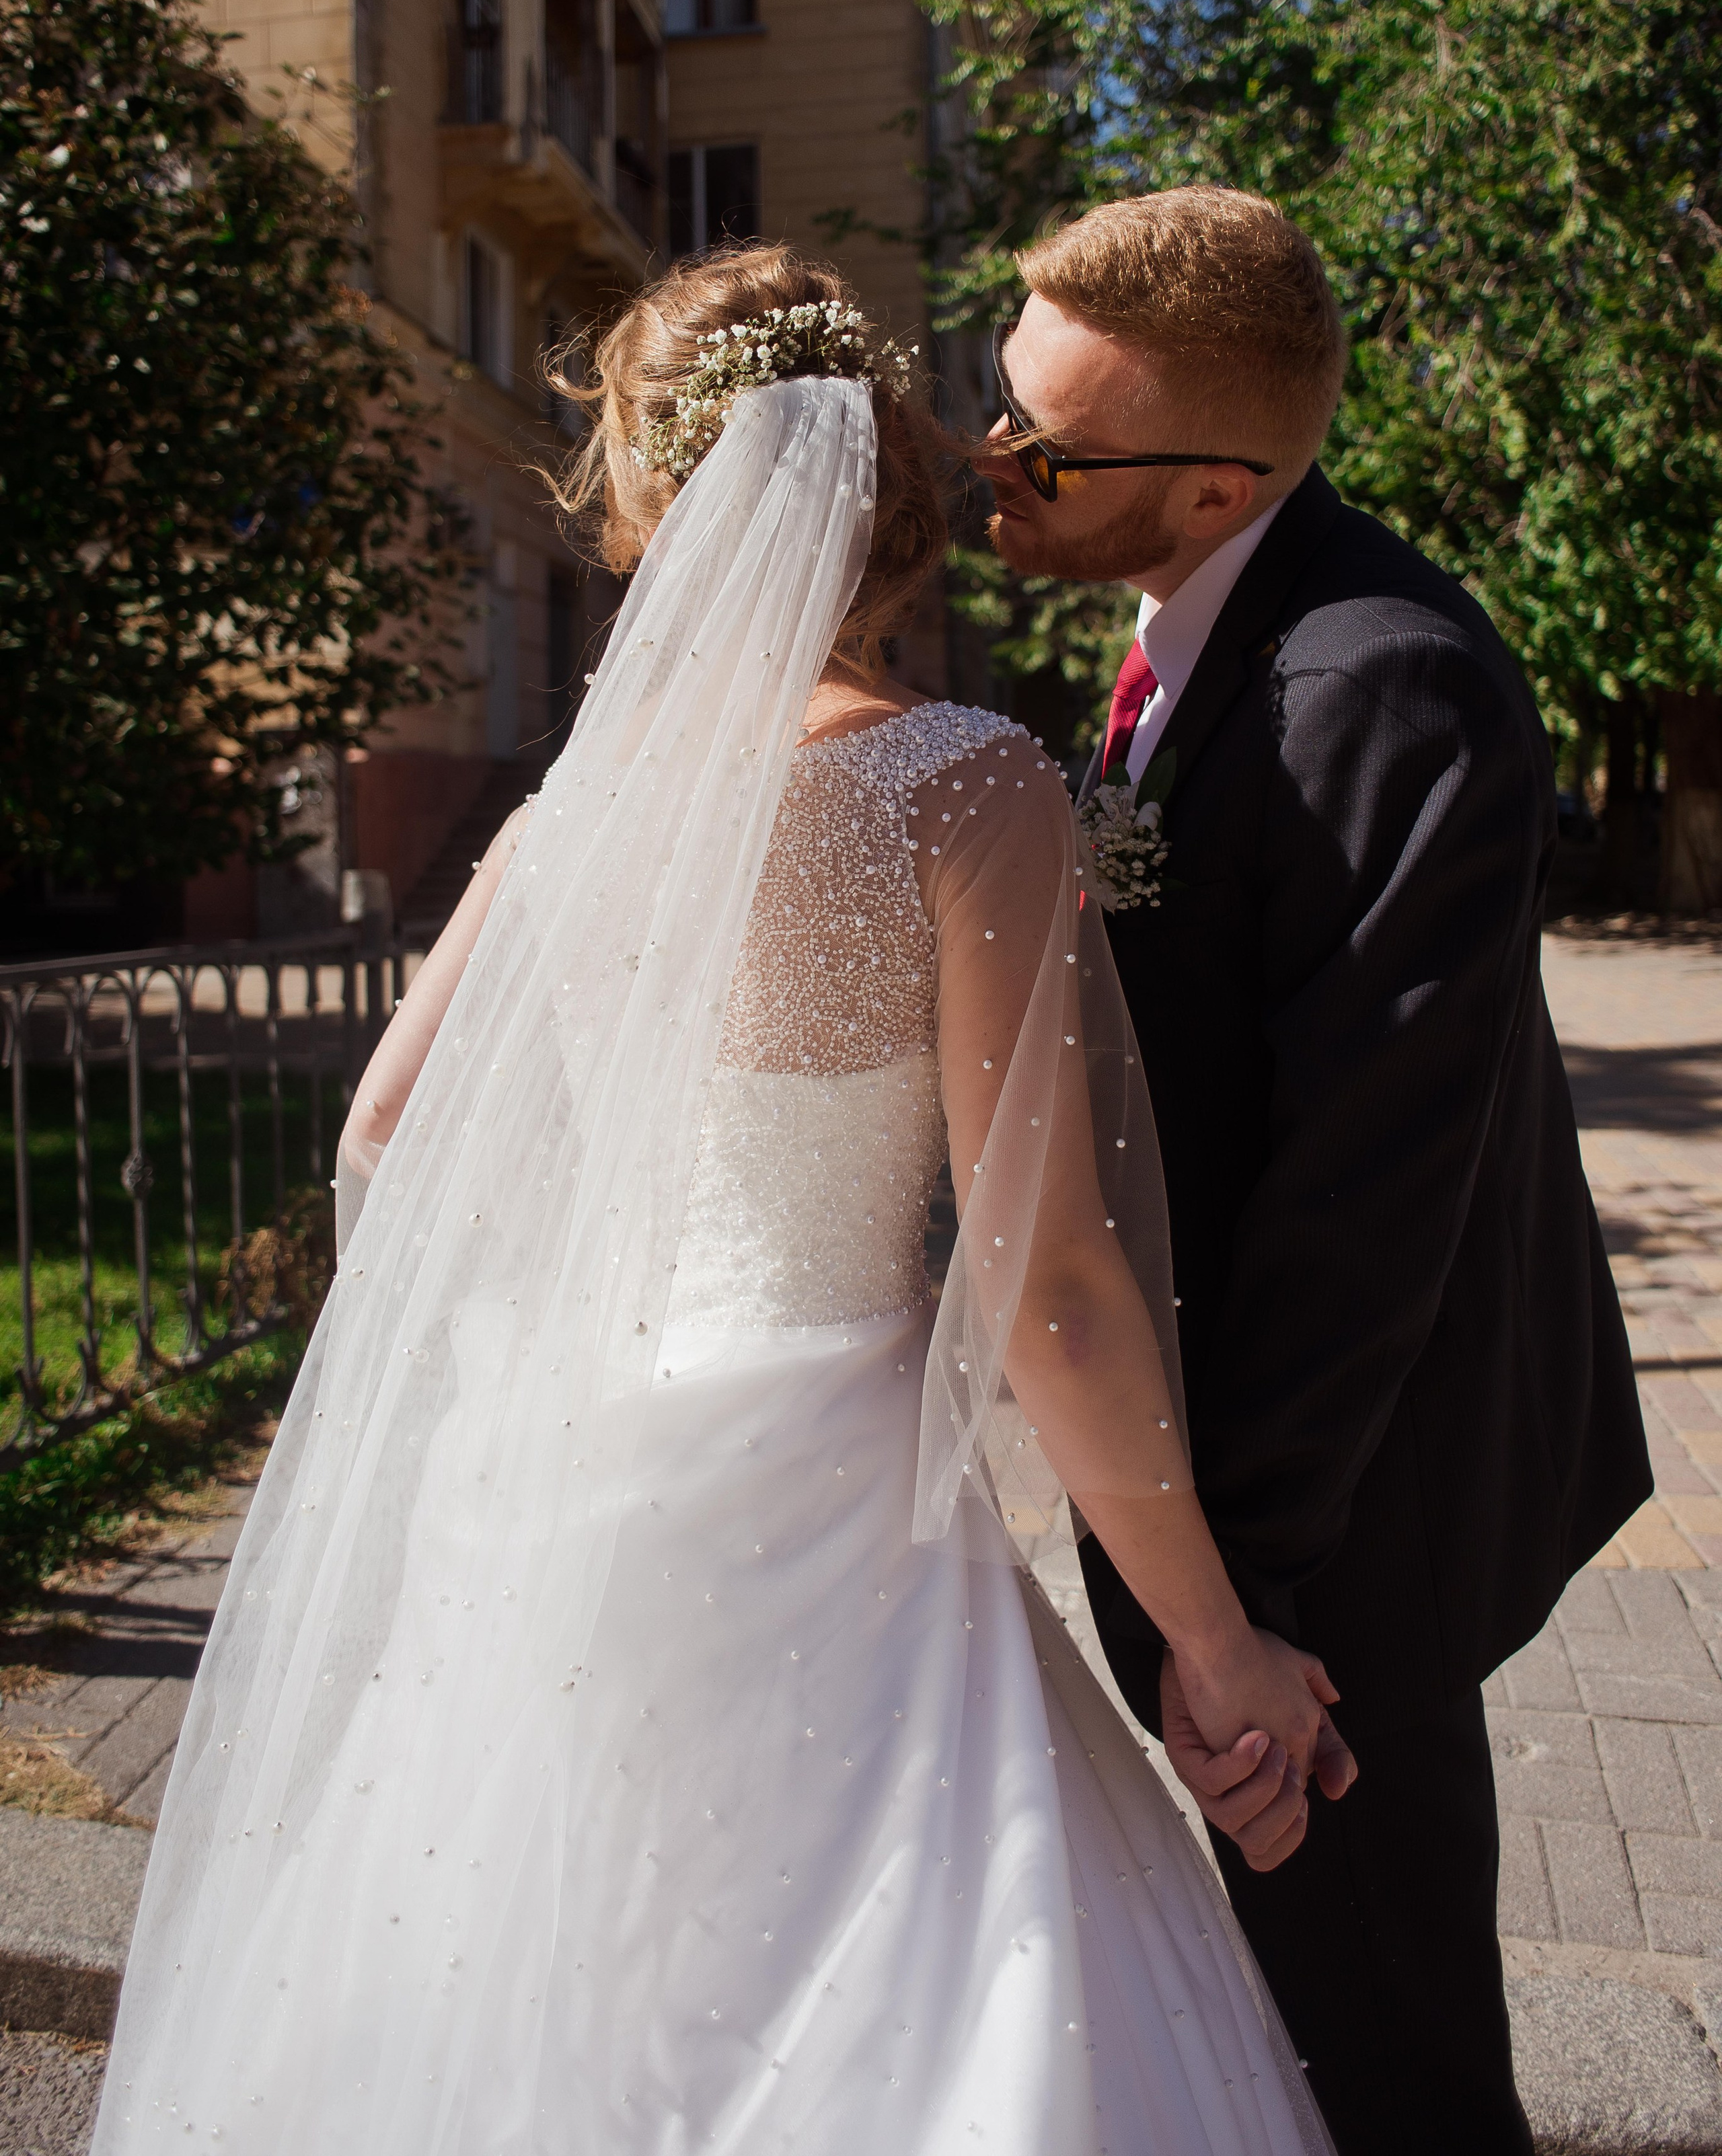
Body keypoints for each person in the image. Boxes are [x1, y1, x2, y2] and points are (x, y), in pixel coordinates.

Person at [93, 247, 1339, 2156]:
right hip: (834, 1489)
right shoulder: (958, 782)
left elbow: (385, 1133)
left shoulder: (569, 811)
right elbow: (1056, 1291)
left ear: (656, 497)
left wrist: (554, 1331)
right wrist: (1214, 1637)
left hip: (571, 1473)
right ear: (885, 489)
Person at [983, 186, 1652, 2156]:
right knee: (1279, 2034)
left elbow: (1371, 1193)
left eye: (1046, 448)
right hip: (1238, 1511)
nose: (989, 464)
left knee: (1393, 2061)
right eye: (996, 397)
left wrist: (1238, 1620)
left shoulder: (1383, 683)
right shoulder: (1193, 626)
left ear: (1212, 488)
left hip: (1346, 1523)